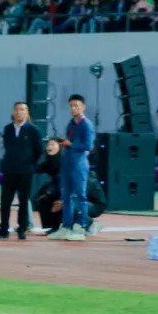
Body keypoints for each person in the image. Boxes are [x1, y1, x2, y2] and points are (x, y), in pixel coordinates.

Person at [0, 102, 44, 240]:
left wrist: (30, 163)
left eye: (22, 109)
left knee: (23, 201)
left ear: (27, 112)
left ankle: (22, 228)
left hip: (25, 171)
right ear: (13, 112)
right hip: (9, 170)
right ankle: (3, 228)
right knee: (5, 200)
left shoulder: (33, 130)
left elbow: (39, 150)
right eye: (17, 109)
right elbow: (6, 146)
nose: (19, 112)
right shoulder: (8, 129)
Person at [51, 94, 95, 241]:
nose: (73, 108)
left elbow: (88, 145)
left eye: (76, 105)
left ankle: (81, 227)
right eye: (71, 106)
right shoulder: (71, 124)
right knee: (66, 196)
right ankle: (66, 227)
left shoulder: (86, 124)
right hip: (67, 162)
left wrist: (71, 145)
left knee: (80, 195)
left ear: (83, 107)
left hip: (79, 163)